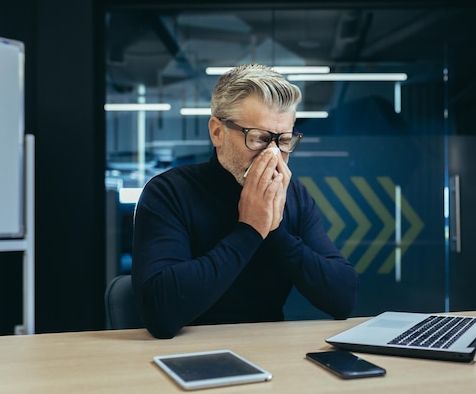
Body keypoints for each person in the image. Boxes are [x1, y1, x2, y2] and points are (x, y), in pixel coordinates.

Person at [131, 63, 358, 339]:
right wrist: (250, 229)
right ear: (217, 132)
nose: (273, 155)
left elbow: (344, 297)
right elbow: (160, 314)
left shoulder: (295, 197)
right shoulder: (169, 192)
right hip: (185, 355)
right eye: (260, 138)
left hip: (269, 352)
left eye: (284, 141)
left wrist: (273, 229)